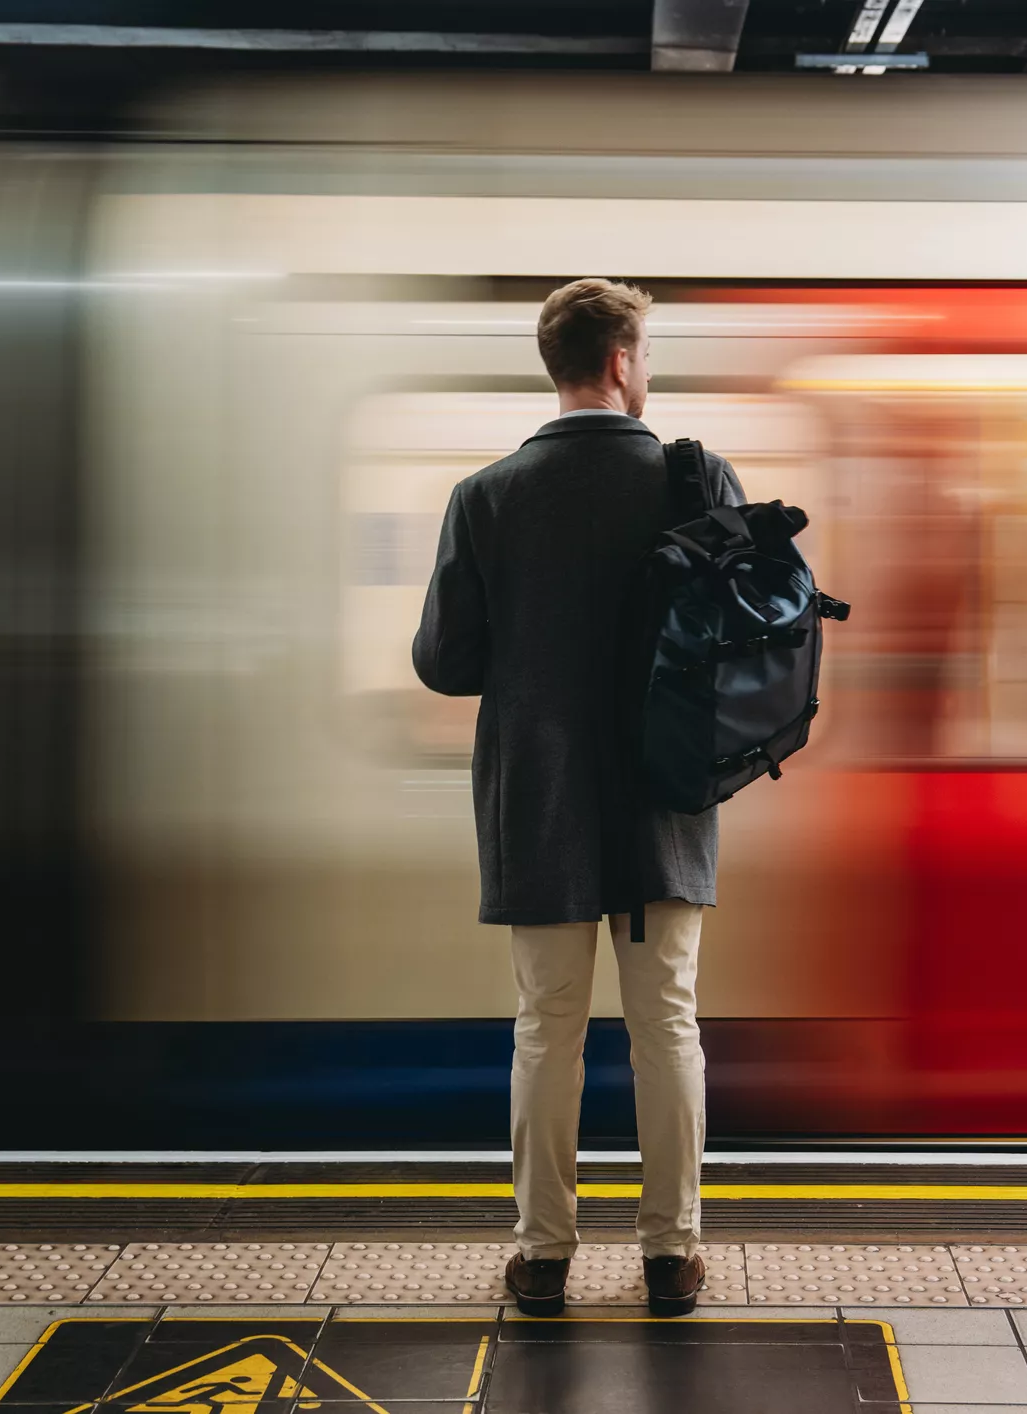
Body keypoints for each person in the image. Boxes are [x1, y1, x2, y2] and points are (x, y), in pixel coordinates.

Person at [411, 278, 743, 1318]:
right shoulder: (698, 480)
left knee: (547, 1028)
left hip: (541, 804)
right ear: (619, 363)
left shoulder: (489, 495)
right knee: (668, 1024)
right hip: (664, 800)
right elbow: (753, 640)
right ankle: (670, 1256)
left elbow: (442, 662)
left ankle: (544, 1256)